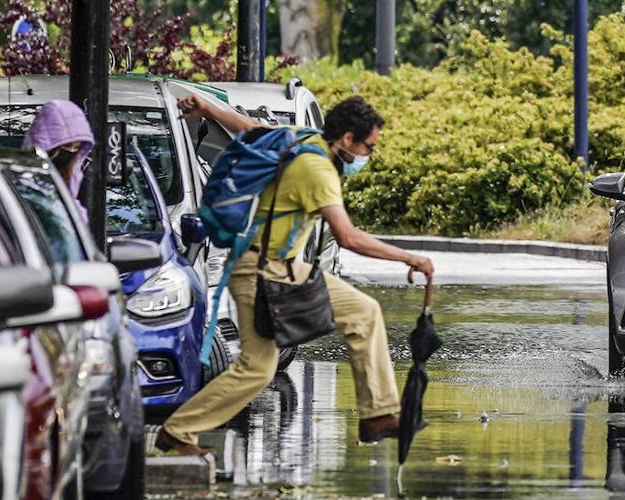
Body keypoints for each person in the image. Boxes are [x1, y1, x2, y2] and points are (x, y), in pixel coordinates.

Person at [155, 94, 436, 456]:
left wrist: (208, 110)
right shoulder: (317, 170)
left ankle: (378, 415)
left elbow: (251, 129)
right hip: (262, 272)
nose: (369, 155)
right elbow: (348, 237)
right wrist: (409, 258)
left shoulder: (303, 137)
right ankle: (178, 430)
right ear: (348, 139)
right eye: (369, 146)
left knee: (363, 312)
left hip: (286, 267)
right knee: (257, 370)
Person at [21, 99, 94, 213]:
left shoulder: (77, 182)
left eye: (77, 148)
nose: (71, 151)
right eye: (66, 146)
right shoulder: (24, 182)